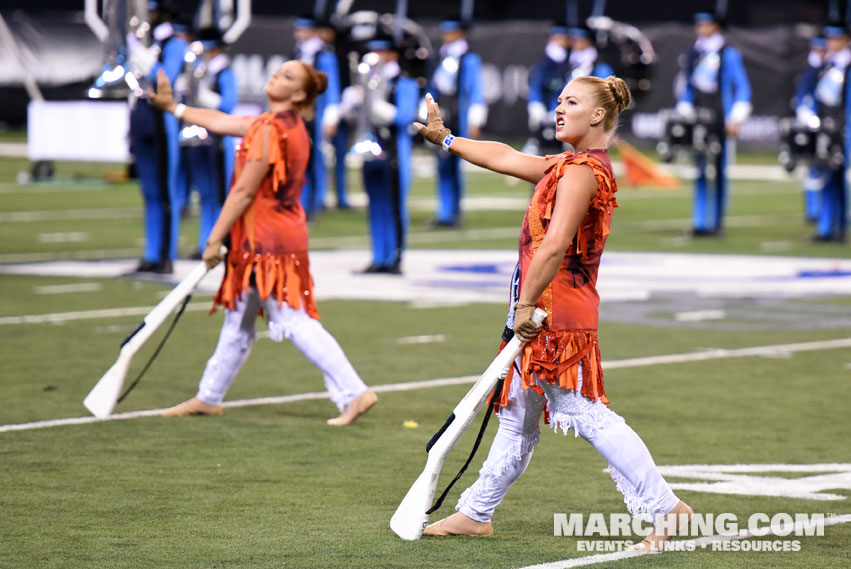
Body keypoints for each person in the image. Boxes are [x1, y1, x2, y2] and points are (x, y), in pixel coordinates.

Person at [413, 76, 692, 549]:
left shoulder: (584, 171)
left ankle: (669, 509)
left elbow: (556, 243)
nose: (559, 108)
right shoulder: (567, 164)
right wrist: (447, 139)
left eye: (572, 102)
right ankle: (476, 513)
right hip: (542, 304)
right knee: (518, 414)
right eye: (559, 100)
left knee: (583, 410)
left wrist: (524, 305)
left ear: (599, 115)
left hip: (554, 311)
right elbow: (505, 157)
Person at [147, 60, 377, 425]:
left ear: (299, 94)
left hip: (265, 242)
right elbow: (223, 122)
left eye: (287, 76)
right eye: (278, 71)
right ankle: (209, 396)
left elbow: (242, 191)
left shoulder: (270, 130)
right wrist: (174, 107)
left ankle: (355, 391)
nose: (275, 76)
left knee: (292, 319)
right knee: (238, 318)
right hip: (276, 234)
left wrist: (214, 238)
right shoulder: (279, 125)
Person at [340, 39, 419, 274]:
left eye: (381, 51)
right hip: (371, 148)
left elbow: (404, 117)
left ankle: (394, 257)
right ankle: (379, 256)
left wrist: (373, 104)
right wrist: (352, 104)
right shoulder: (367, 82)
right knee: (375, 204)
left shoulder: (403, 82)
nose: (376, 56)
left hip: (394, 151)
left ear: (392, 55)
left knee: (394, 205)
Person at [675, 11, 751, 237]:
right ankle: (699, 221)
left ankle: (717, 222)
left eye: (706, 24)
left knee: (718, 171)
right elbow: (687, 86)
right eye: (699, 24)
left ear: (716, 27)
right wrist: (685, 106)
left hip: (720, 120)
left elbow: (742, 88)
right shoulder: (693, 54)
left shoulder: (728, 54)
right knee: (698, 169)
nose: (701, 28)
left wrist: (736, 117)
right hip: (698, 119)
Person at [127, 0, 188, 273]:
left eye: (151, 10)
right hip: (141, 114)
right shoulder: (146, 40)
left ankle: (165, 254)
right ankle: (150, 253)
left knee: (165, 192)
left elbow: (167, 77)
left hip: (161, 118)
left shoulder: (174, 43)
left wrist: (143, 58)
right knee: (148, 191)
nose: (147, 15)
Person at [183, 27, 238, 259]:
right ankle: (205, 240)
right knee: (204, 194)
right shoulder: (200, 70)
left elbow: (228, 105)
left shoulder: (224, 72)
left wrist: (204, 96)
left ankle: (221, 240)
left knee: (219, 195)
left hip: (218, 141)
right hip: (198, 137)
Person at [428, 20, 487, 228]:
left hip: (458, 116)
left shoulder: (469, 58)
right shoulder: (440, 57)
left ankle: (455, 212)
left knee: (456, 162)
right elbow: (433, 86)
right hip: (441, 116)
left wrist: (475, 118)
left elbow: (475, 90)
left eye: (451, 32)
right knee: (442, 164)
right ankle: (443, 211)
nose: (447, 35)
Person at [527, 25, 614, 155]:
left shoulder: (599, 67)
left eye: (579, 39)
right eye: (573, 39)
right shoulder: (567, 65)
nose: (574, 43)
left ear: (588, 41)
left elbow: (606, 98)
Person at [800, 25, 850, 242]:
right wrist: (811, 118)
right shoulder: (824, 66)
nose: (831, 43)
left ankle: (841, 224)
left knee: (842, 178)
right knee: (827, 177)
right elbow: (810, 95)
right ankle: (828, 227)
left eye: (836, 38)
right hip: (827, 131)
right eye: (829, 38)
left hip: (845, 131)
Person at [292, 17, 342, 219]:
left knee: (316, 159)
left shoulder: (323, 55)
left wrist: (331, 117)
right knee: (299, 159)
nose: (299, 34)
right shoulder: (298, 52)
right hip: (299, 113)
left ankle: (316, 202)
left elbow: (332, 88)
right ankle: (301, 203)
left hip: (316, 114)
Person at [794, 36, 827, 224]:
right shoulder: (812, 71)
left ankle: (830, 213)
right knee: (812, 166)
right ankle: (813, 210)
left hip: (832, 124)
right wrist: (806, 115)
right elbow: (803, 97)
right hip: (814, 124)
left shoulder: (834, 68)